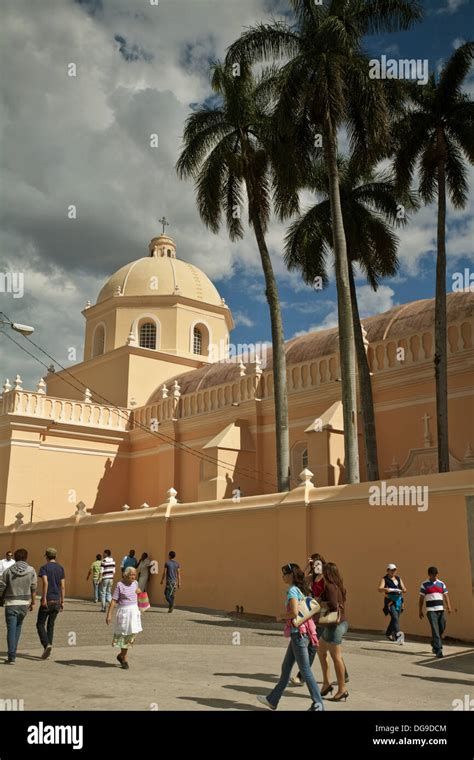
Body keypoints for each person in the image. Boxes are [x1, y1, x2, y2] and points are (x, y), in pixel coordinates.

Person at [256, 563, 323, 711]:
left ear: (291, 575)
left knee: (305, 670)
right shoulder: (300, 589)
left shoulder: (293, 590)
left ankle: (319, 704)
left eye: (284, 574)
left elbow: (293, 613)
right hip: (300, 633)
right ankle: (272, 700)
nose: (282, 577)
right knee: (286, 668)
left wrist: (281, 616)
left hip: (298, 634)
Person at [291, 553, 349, 687]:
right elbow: (300, 581)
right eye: (314, 564)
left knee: (314, 645)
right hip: (317, 615)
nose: (316, 566)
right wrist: (307, 566)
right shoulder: (314, 577)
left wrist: (320, 601)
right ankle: (342, 675)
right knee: (328, 650)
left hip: (326, 616)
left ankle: (302, 676)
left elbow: (334, 603)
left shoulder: (328, 581)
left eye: (318, 564)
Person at [317, 562, 349, 702]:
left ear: (328, 573)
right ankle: (326, 684)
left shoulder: (330, 586)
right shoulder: (338, 586)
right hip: (337, 623)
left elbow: (333, 605)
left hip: (334, 625)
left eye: (324, 571)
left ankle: (342, 689)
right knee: (321, 650)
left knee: (336, 657)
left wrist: (319, 603)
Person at [0, 548, 37, 664]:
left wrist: (1, 598)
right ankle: (13, 652)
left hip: (11, 603)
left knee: (11, 629)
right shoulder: (31, 570)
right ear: (26, 557)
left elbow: (1, 587)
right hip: (24, 604)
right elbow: (34, 587)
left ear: (15, 558)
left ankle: (12, 656)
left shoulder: (8, 571)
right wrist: (33, 602)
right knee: (18, 628)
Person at [106, 566, 142, 669]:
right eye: (132, 575)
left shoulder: (135, 583)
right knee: (124, 635)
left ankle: (121, 655)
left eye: (135, 575)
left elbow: (138, 595)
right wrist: (109, 614)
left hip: (134, 612)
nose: (133, 577)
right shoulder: (120, 585)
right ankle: (124, 658)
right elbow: (114, 600)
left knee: (131, 635)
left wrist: (140, 603)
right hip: (124, 613)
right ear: (125, 575)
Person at [36, 548, 65, 659]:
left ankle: (46, 644)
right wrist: (62, 601)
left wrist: (43, 598)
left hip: (48, 600)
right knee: (51, 625)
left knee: (40, 624)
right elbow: (62, 586)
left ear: (46, 556)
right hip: (57, 600)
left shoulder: (44, 568)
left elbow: (45, 582)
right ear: (55, 556)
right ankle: (48, 648)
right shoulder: (60, 568)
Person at [419, 566, 452, 658]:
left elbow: (446, 596)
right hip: (431, 611)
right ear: (429, 575)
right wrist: (420, 610)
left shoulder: (441, 584)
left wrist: (449, 606)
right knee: (435, 629)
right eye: (434, 574)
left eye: (437, 574)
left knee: (442, 626)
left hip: (441, 609)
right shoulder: (424, 584)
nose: (435, 576)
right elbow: (421, 599)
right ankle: (438, 650)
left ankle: (434, 642)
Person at [379, 563, 407, 642]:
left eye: (394, 570)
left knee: (396, 619)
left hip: (399, 601)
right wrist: (385, 589)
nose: (393, 572)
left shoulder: (398, 578)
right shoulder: (384, 579)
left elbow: (404, 588)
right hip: (390, 602)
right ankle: (399, 637)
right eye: (391, 570)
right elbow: (379, 588)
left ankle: (388, 633)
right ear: (387, 570)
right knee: (395, 618)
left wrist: (404, 589)